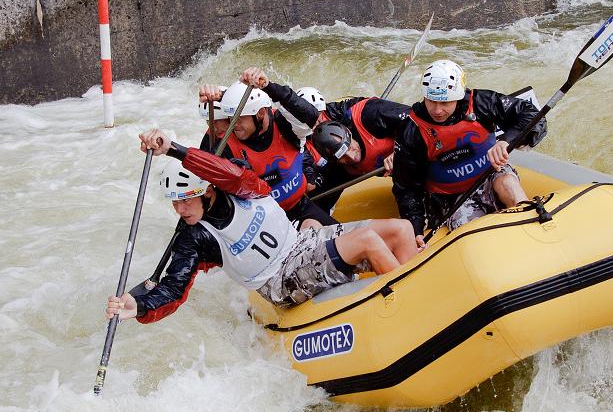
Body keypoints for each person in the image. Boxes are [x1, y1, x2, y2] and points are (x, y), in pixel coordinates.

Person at [104, 130, 419, 324]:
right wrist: (139, 306)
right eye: (174, 202)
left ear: (209, 190)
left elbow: (226, 172)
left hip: (301, 244)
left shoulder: (244, 186)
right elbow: (173, 288)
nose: (180, 209)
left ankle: (419, 290)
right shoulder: (196, 238)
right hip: (280, 281)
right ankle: (408, 309)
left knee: (401, 229)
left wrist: (174, 149)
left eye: (186, 200)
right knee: (366, 240)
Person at [392, 59, 547, 247]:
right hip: (451, 198)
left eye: (445, 102)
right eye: (431, 101)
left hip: (490, 174)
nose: (437, 110)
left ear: (458, 96)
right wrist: (415, 229)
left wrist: (507, 140)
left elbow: (532, 115)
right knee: (477, 232)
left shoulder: (481, 102)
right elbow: (406, 188)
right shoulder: (412, 129)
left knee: (507, 183)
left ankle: (535, 235)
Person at [197, 67, 333, 230]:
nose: (235, 125)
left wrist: (268, 86)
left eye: (240, 118)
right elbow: (204, 174)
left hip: (300, 206)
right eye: (230, 118)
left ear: (260, 113)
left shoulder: (283, 124)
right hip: (260, 223)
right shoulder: (223, 138)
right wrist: (218, 99)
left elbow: (310, 116)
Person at [306, 91, 410, 210]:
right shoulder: (336, 165)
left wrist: (401, 150)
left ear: (349, 133)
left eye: (349, 148)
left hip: (413, 155)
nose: (351, 157)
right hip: (396, 173)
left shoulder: (371, 114)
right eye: (343, 157)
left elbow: (419, 124)